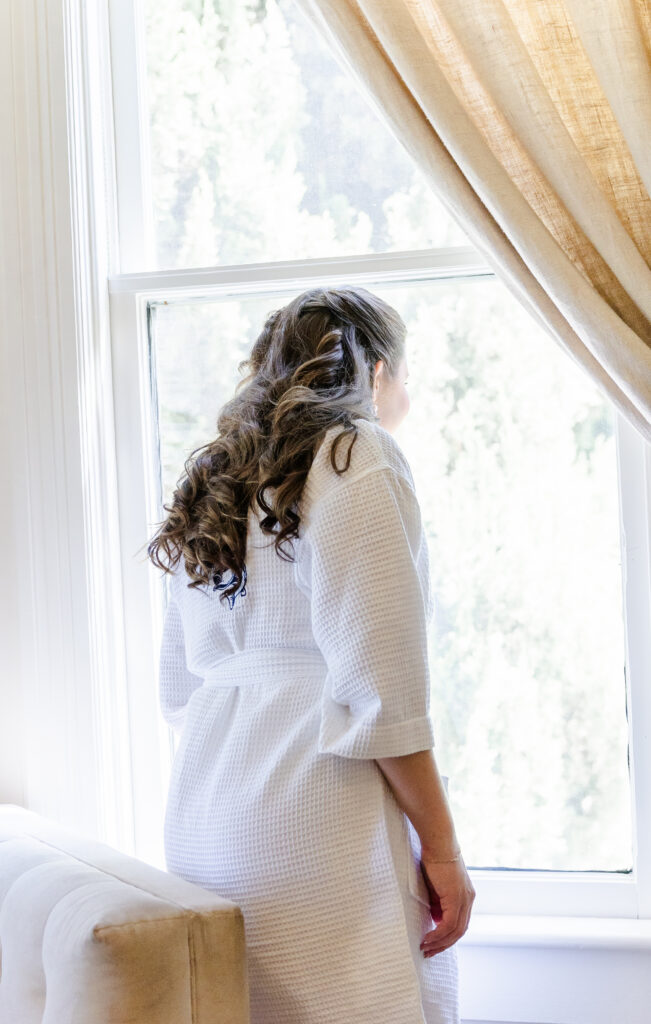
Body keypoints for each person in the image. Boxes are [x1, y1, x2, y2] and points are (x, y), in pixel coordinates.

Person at [146, 285, 475, 1024]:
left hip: (207, 813)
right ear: (379, 372)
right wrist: (444, 850)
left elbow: (176, 690)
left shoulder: (211, 478)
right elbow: (380, 689)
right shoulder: (356, 452)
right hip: (316, 804)